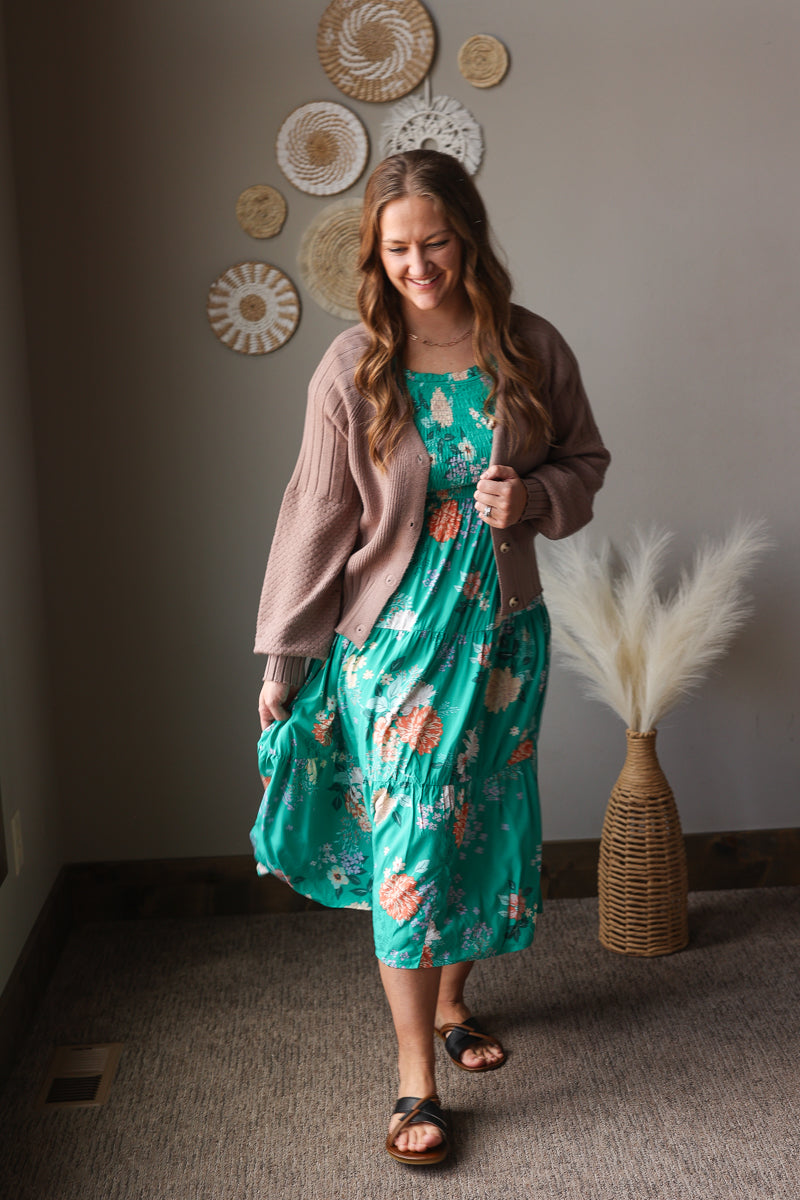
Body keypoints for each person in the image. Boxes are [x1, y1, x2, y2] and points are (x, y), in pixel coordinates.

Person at [251, 149, 610, 1165]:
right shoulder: (353, 362)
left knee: (475, 828)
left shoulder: (528, 348)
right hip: (395, 649)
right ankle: (416, 1080)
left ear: (469, 236)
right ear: (375, 251)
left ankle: (455, 1004)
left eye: (435, 242)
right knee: (410, 844)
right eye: (396, 247)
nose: (418, 265)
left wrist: (532, 499)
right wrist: (283, 658)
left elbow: (584, 463)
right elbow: (314, 518)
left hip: (500, 640)